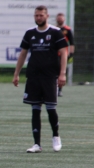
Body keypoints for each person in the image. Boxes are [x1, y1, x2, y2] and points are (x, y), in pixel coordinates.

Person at [12, 5, 68, 153]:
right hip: (33, 76)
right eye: (36, 15)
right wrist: (16, 73)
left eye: (41, 15)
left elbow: (63, 52)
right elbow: (23, 54)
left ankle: (56, 136)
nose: (38, 18)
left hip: (50, 76)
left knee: (50, 108)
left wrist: (62, 73)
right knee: (35, 109)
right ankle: (37, 144)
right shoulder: (30, 33)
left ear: (47, 16)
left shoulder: (55, 33)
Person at [56, 12, 75, 97]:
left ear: (64, 19)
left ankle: (59, 90)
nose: (60, 19)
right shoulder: (54, 29)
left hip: (63, 54)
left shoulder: (67, 29)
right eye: (58, 18)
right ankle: (52, 89)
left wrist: (71, 53)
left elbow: (71, 43)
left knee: (62, 72)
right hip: (54, 54)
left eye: (61, 18)